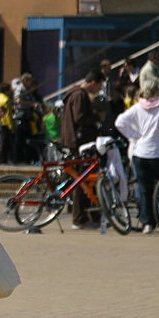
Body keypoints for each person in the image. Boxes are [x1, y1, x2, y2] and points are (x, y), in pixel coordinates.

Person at [115, 79, 159, 234]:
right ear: (158, 91)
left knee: (145, 189)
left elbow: (119, 122)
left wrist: (134, 135)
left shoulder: (137, 107)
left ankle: (147, 223)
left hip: (140, 153)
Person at [60, 69, 105, 229]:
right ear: (93, 82)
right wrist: (96, 118)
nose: (99, 90)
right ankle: (79, 219)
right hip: (79, 142)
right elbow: (80, 117)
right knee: (81, 179)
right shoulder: (80, 95)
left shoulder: (73, 93)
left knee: (80, 178)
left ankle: (81, 216)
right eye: (99, 86)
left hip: (72, 141)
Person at [11, 72, 41, 164]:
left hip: (28, 117)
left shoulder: (28, 90)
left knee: (27, 140)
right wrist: (31, 104)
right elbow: (18, 100)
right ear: (25, 80)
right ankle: (16, 160)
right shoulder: (20, 89)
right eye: (30, 81)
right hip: (21, 117)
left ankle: (27, 159)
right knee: (19, 140)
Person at [0, 82, 14, 163]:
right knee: (5, 143)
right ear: (6, 90)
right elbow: (8, 114)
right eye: (10, 89)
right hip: (5, 123)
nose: (11, 91)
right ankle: (4, 159)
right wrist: (11, 126)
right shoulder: (6, 99)